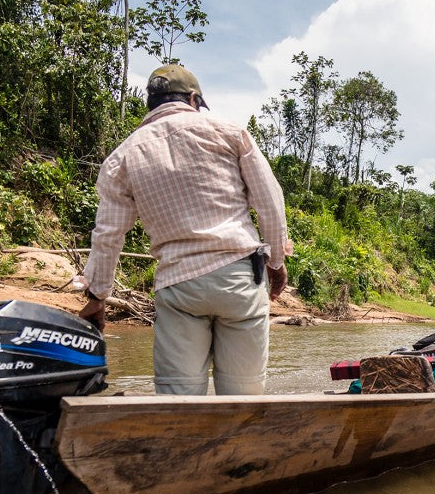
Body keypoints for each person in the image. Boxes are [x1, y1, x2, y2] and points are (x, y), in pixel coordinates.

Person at [79, 63, 291, 395]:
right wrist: (276, 262)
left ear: (151, 105)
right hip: (239, 279)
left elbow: (108, 236)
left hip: (178, 286)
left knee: (179, 400)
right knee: (243, 399)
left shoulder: (124, 156)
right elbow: (271, 204)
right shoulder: (230, 133)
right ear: (194, 99)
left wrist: (97, 297)